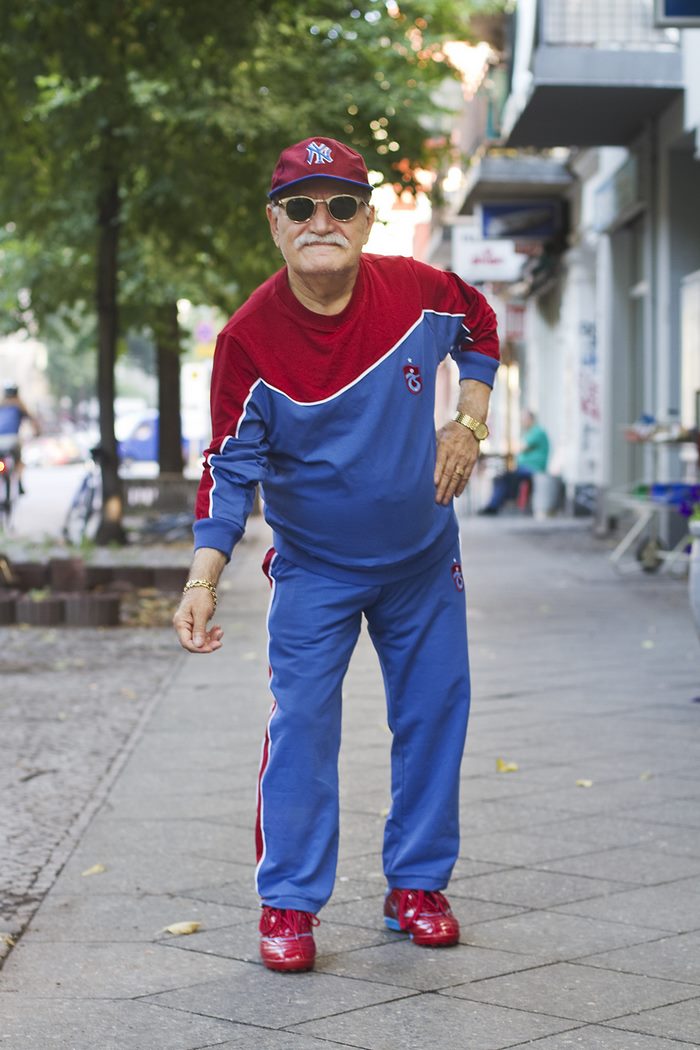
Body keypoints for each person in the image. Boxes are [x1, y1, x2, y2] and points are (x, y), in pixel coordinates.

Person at [173, 137, 499, 973]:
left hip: (424, 562)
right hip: (315, 569)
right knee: (303, 729)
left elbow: (483, 325)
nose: (324, 221)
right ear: (275, 224)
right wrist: (202, 578)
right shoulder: (248, 338)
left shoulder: (420, 293)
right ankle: (288, 902)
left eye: (342, 204)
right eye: (303, 207)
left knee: (433, 719)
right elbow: (228, 466)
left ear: (367, 216)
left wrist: (466, 422)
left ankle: (416, 886)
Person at [478, 410, 549, 515]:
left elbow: (521, 447)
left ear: (530, 419)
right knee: (503, 476)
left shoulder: (537, 432)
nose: (522, 422)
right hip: (525, 468)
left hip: (533, 468)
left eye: (523, 419)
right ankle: (495, 505)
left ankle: (494, 506)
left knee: (503, 476)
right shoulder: (531, 432)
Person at [0, 382, 39, 494]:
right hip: (13, 439)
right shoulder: (20, 405)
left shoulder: (1, 404)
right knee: (19, 461)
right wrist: (37, 432)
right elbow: (33, 421)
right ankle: (19, 483)